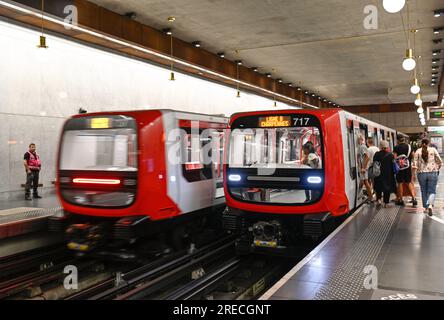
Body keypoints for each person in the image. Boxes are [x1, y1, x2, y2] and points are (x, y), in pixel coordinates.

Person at [412, 138, 442, 216]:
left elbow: (414, 165)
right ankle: (430, 206)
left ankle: (426, 207)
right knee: (432, 191)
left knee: (423, 190)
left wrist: (413, 175)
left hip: (421, 173)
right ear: (429, 143)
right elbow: (439, 161)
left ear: (421, 143)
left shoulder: (418, 151)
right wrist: (437, 167)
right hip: (433, 172)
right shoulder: (433, 150)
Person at [393, 135, 417, 207]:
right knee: (409, 182)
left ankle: (400, 200)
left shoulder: (396, 147)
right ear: (404, 140)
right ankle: (414, 198)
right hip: (407, 167)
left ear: (397, 140)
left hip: (399, 168)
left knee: (400, 183)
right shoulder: (409, 146)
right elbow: (413, 156)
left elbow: (394, 158)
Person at [373, 140, 396, 208]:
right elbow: (393, 165)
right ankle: (386, 203)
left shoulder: (377, 154)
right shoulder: (390, 155)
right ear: (387, 146)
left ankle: (379, 200)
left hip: (378, 174)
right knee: (387, 189)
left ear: (380, 146)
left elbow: (374, 163)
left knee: (378, 188)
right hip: (388, 175)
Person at [357, 135, 373, 201]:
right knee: (362, 182)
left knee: (366, 182)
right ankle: (358, 195)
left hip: (363, 169)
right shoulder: (361, 146)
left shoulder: (362, 146)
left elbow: (367, 157)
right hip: (362, 168)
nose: (357, 140)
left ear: (360, 139)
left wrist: (364, 168)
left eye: (358, 139)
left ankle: (370, 197)